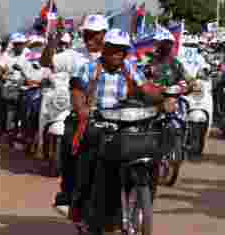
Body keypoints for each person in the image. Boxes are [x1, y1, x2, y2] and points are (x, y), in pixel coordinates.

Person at [68, 29, 173, 233]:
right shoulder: (88, 68)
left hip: (127, 123)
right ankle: (81, 207)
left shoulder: (130, 68)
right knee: (89, 161)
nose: (119, 54)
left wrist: (165, 98)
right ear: (105, 49)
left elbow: (147, 89)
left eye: (122, 51)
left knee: (149, 151)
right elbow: (77, 92)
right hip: (99, 124)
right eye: (115, 50)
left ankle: (140, 199)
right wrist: (82, 108)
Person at [43, 14, 109, 215]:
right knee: (70, 145)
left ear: (105, 35)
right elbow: (47, 62)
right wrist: (53, 39)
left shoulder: (116, 55)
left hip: (113, 116)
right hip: (82, 116)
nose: (89, 38)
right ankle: (68, 193)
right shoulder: (73, 55)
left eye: (94, 34)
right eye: (86, 34)